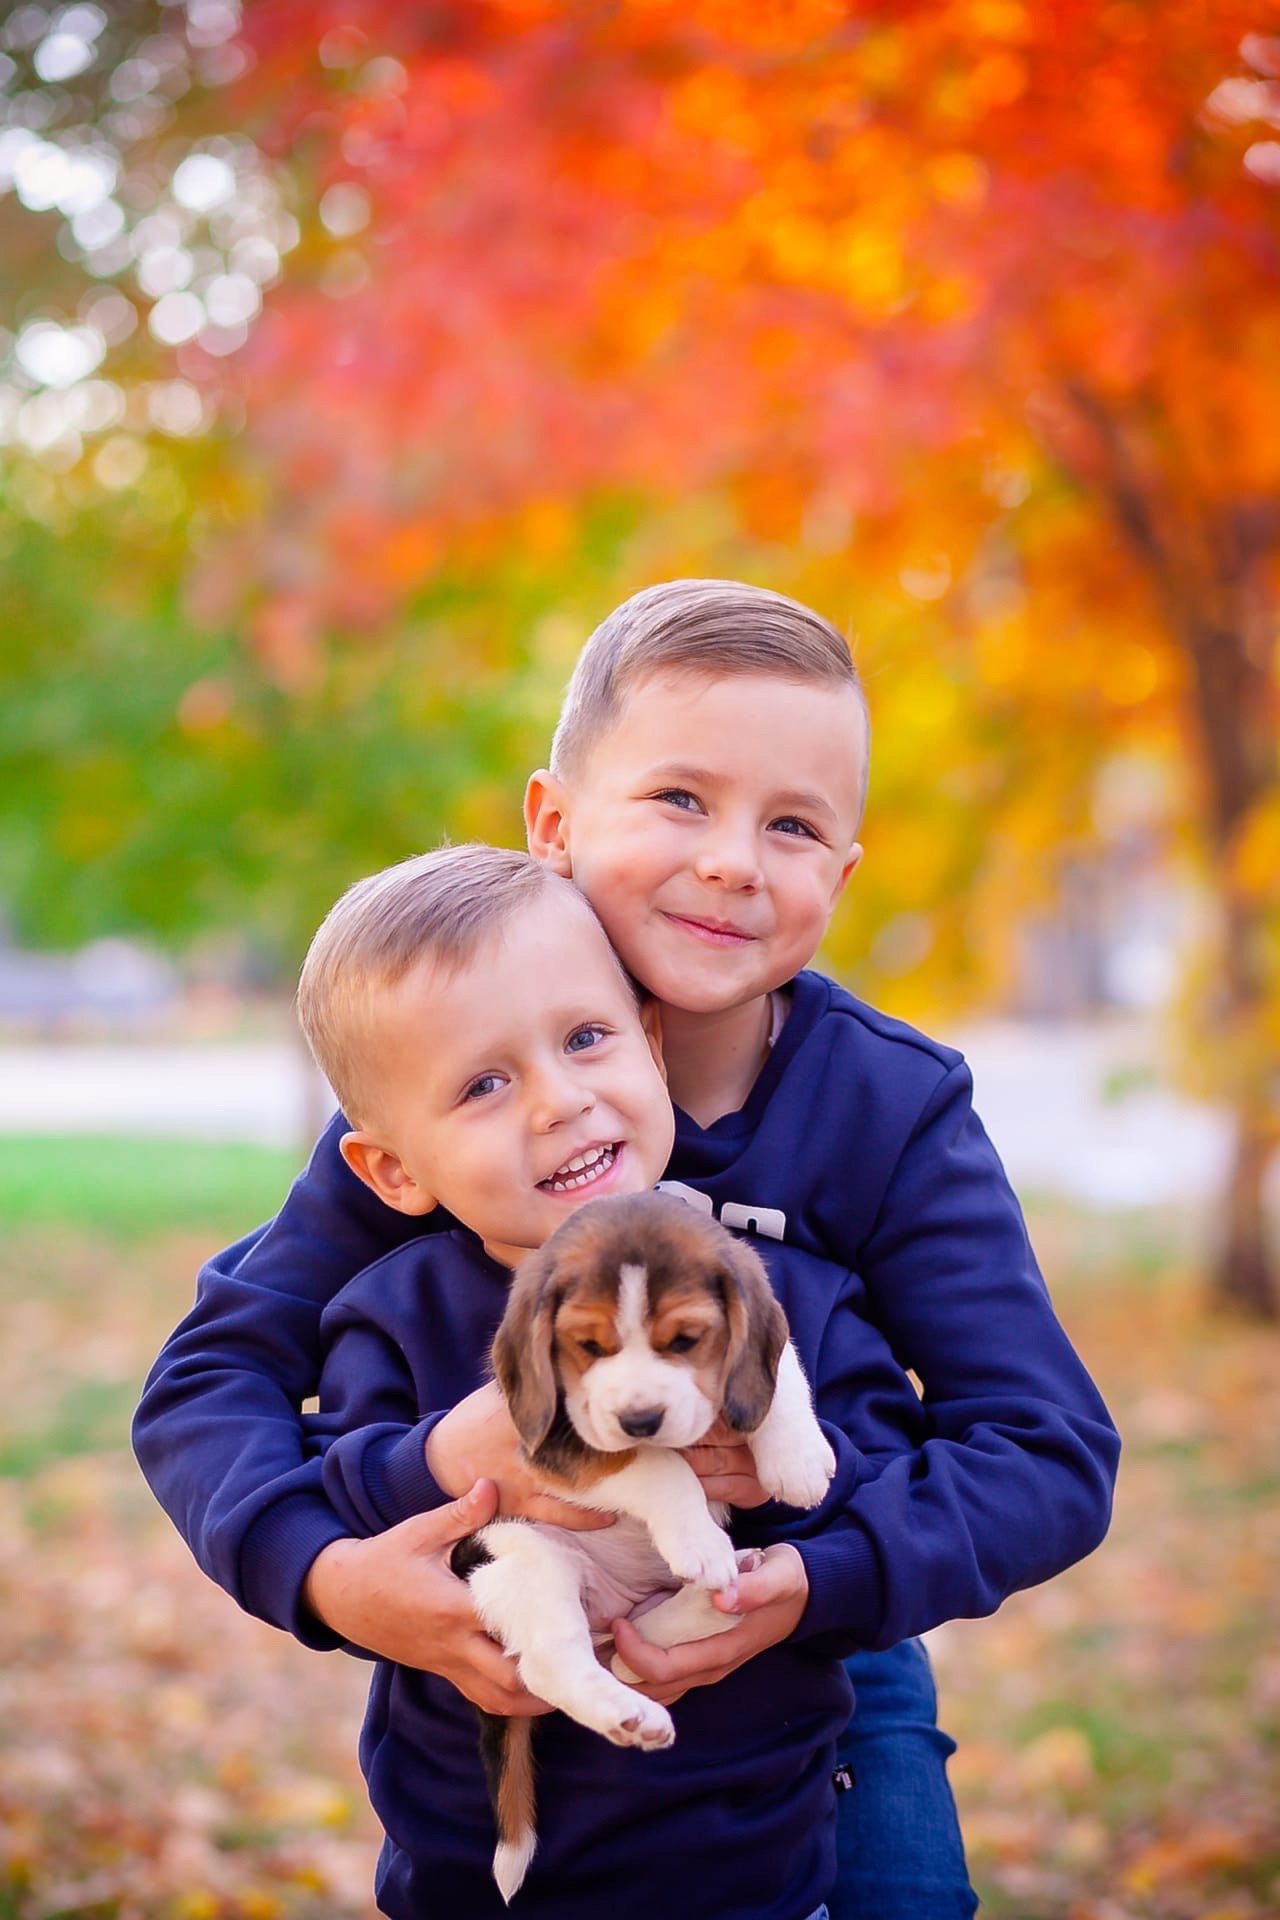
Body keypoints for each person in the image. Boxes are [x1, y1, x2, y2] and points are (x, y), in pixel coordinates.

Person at [135, 579, 1120, 1919]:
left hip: (816, 1640)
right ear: (553, 823)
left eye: (792, 826)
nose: (731, 861)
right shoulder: (469, 1101)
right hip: (524, 1649)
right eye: (679, 800)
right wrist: (333, 1575)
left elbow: (1048, 1452)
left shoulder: (887, 1110)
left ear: (841, 873)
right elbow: (211, 1382)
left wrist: (819, 1583)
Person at [291, 842, 948, 1919]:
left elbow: (867, 1477)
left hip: (755, 1850)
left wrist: (795, 1503)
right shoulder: (388, 1310)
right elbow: (338, 1479)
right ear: (390, 1170)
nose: (557, 1103)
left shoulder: (777, 1283)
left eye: (587, 1038)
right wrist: (437, 1464)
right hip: (467, 1856)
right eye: (485, 1084)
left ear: (648, 1042)